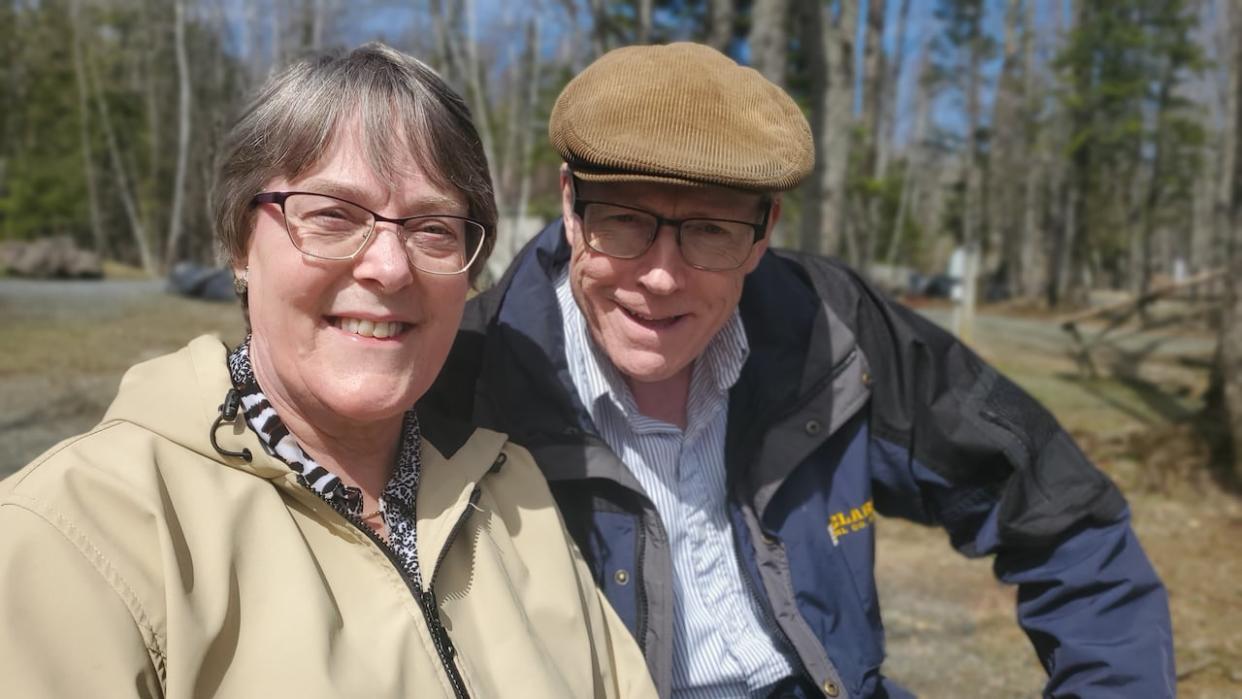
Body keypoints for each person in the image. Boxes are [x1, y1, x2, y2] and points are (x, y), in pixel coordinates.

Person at [426, 43, 1175, 698]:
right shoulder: (465, 375)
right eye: (624, 219)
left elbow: (1058, 508)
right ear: (569, 201)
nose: (659, 277)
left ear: (764, 233)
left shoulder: (827, 326)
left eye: (710, 232)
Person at [0, 44, 654, 699]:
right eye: (334, 215)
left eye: (432, 228)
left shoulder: (514, 495)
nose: (390, 267)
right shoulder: (77, 533)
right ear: (238, 243)